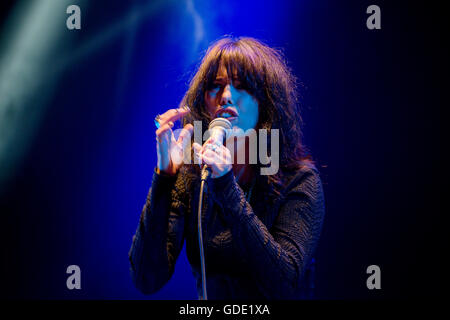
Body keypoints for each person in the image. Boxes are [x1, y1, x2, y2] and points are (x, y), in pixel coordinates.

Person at [128, 36, 325, 300]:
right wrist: (164, 178)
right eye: (216, 86)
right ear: (203, 103)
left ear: (266, 102)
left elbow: (284, 283)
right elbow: (147, 279)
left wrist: (225, 185)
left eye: (242, 86)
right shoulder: (192, 178)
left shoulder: (299, 180)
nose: (226, 97)